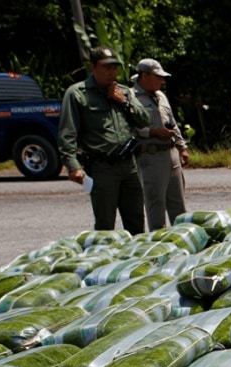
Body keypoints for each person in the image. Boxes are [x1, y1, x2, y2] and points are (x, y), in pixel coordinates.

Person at [58, 46, 151, 235]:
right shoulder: (77, 94)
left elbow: (145, 120)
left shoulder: (123, 92)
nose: (112, 72)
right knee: (105, 225)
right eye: (106, 67)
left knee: (136, 223)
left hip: (129, 165)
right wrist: (73, 166)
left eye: (115, 68)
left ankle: (138, 262)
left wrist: (123, 102)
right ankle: (106, 262)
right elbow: (67, 133)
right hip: (102, 167)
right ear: (93, 67)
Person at [132, 58, 189, 229]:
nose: (162, 81)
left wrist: (182, 147)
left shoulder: (161, 96)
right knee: (156, 203)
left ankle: (183, 237)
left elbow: (172, 121)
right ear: (145, 75)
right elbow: (128, 128)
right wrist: (153, 132)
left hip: (171, 154)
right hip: (152, 155)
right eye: (158, 77)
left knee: (178, 202)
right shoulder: (131, 97)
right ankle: (159, 241)